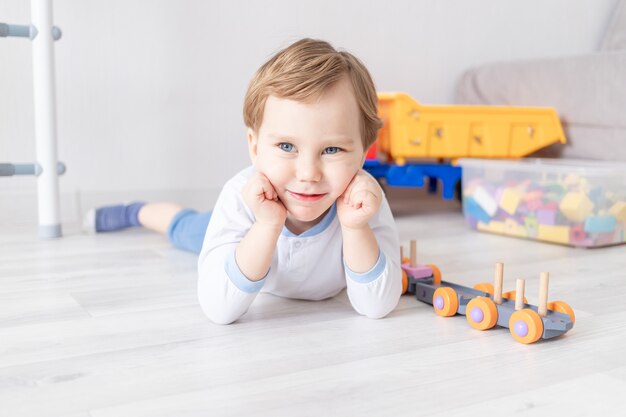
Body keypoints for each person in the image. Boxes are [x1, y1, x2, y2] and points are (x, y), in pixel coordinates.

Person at [85, 38, 402, 324]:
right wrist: (266, 226)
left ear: (363, 154)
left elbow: (377, 306)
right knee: (185, 228)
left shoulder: (363, 202)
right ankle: (136, 211)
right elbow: (218, 308)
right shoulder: (240, 196)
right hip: (243, 232)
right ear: (254, 146)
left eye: (331, 149)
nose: (308, 174)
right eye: (287, 146)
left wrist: (355, 228)